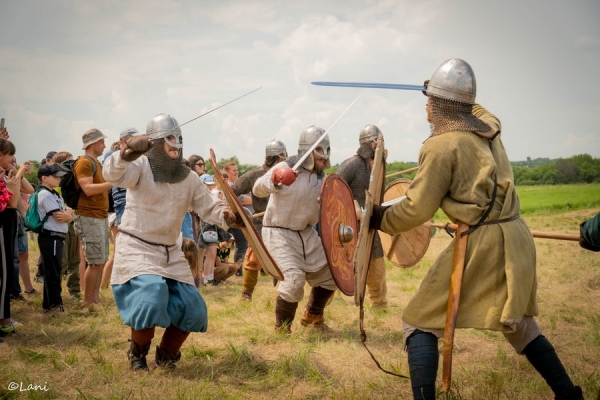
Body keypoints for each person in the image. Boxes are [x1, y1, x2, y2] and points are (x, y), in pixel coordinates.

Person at [370, 59, 582, 400]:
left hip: (485, 243)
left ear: (442, 104)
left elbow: (416, 209)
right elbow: (479, 111)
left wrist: (379, 219)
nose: (426, 105)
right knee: (520, 324)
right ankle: (569, 395)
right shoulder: (489, 127)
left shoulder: (440, 146)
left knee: (419, 321)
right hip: (517, 236)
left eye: (431, 99)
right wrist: (454, 95)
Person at [103, 113, 240, 370]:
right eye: (168, 138)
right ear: (154, 142)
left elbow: (209, 206)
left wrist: (227, 216)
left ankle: (166, 355)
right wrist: (126, 154)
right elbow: (112, 175)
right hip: (138, 247)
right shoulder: (140, 166)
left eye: (178, 138)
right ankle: (137, 353)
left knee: (193, 307)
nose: (175, 143)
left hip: (170, 250)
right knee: (151, 295)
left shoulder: (188, 177)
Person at [253, 125, 337, 333]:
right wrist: (276, 179)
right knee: (294, 279)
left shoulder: (322, 179)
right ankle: (282, 330)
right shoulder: (286, 166)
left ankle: (313, 315)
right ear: (308, 149)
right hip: (278, 232)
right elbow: (257, 188)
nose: (324, 155)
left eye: (326, 150)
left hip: (306, 233)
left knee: (332, 272)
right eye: (319, 150)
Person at [337, 125, 388, 309]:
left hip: (370, 224)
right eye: (378, 142)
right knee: (344, 268)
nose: (380, 145)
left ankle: (379, 305)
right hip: (351, 227)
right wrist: (353, 207)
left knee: (377, 267)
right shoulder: (353, 164)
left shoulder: (379, 165)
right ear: (371, 143)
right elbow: (333, 189)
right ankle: (325, 304)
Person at [233, 139, 287, 301]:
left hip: (283, 223)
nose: (284, 160)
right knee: (253, 259)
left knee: (286, 258)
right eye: (282, 157)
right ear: (277, 157)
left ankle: (285, 292)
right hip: (261, 225)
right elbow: (233, 190)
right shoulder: (256, 174)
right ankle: (247, 293)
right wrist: (237, 213)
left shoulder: (289, 173)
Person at [73, 129, 113, 307]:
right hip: (89, 217)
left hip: (100, 216)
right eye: (101, 142)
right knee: (94, 262)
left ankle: (95, 299)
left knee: (101, 260)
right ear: (92, 144)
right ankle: (88, 302)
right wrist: (112, 183)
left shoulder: (96, 162)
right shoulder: (84, 162)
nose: (104, 145)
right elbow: (87, 189)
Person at [101, 127, 140, 288]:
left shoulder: (136, 156)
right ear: (124, 140)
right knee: (120, 251)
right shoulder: (113, 156)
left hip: (132, 206)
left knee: (125, 251)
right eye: (133, 139)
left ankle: (108, 285)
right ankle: (105, 285)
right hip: (122, 207)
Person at [0, 137, 30, 338]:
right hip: (3, 223)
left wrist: (15, 174)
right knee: (5, 274)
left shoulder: (5, 174)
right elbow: (10, 203)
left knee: (7, 272)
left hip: (8, 223)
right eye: (10, 155)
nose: (12, 159)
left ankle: (5, 318)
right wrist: (12, 185)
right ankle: (4, 320)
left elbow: (28, 190)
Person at [36, 164, 74, 312]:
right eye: (55, 176)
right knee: (53, 272)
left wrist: (69, 214)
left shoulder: (54, 194)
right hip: (50, 236)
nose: (59, 179)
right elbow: (60, 216)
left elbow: (68, 211)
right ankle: (55, 305)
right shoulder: (45, 194)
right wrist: (69, 215)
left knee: (53, 269)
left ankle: (49, 305)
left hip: (56, 237)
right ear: (44, 178)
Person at [53, 151, 81, 302]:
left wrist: (71, 213)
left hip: (73, 224)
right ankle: (55, 294)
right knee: (61, 260)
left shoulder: (74, 182)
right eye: (69, 162)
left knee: (75, 259)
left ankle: (74, 292)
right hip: (59, 226)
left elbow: (77, 203)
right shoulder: (55, 183)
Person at [223, 161, 250, 276]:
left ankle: (232, 271)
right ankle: (237, 272)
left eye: (237, 170)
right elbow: (242, 200)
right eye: (234, 170)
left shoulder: (232, 185)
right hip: (233, 219)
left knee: (234, 245)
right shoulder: (230, 186)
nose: (236, 172)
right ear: (227, 172)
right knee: (241, 245)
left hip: (232, 218)